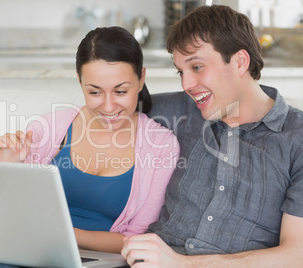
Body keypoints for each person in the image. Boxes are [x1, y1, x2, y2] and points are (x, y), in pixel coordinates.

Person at [0, 26, 179, 267]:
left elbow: (138, 239)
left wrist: (66, 236)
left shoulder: (161, 145)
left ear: (141, 79)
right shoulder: (52, 127)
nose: (108, 107)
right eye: (95, 92)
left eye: (120, 91)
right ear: (79, 81)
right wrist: (8, 169)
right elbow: (13, 216)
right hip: (30, 251)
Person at [121, 5, 303, 267]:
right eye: (181, 71)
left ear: (240, 61)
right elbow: (111, 107)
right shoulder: (184, 109)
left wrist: (181, 264)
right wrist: (44, 136)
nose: (186, 85)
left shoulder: (296, 139)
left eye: (196, 67)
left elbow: (295, 255)